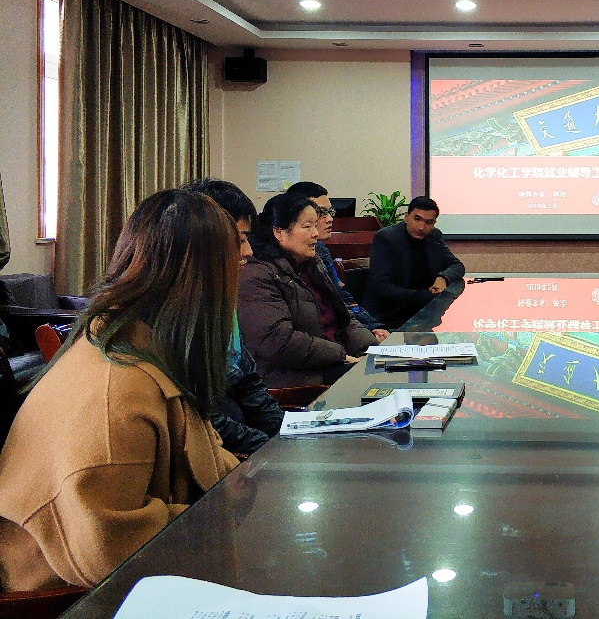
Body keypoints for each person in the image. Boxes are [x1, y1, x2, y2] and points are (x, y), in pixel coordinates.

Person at [0, 189, 239, 590]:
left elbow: (199, 449)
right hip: (67, 595)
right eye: (237, 256)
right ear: (205, 278)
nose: (247, 256)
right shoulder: (120, 386)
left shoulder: (132, 343)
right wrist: (211, 515)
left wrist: (242, 482)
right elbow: (109, 549)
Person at [182, 178, 284, 455]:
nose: (248, 252)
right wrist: (271, 449)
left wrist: (284, 432)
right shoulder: (177, 314)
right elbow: (205, 420)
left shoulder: (219, 300)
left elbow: (246, 380)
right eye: (240, 240)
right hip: (221, 457)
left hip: (242, 442)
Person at [238, 191, 376, 388]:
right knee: (371, 380)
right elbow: (277, 340)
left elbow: (345, 318)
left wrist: (370, 350)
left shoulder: (312, 263)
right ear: (279, 232)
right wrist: (342, 356)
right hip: (292, 377)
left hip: (331, 362)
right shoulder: (257, 274)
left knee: (386, 368)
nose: (315, 233)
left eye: (315, 225)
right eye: (307, 226)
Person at [286, 181, 389, 341]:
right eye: (321, 213)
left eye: (330, 212)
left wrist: (372, 327)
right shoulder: (280, 261)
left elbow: (341, 297)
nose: (329, 219)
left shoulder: (320, 250)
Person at [363, 196, 465, 329]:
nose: (421, 227)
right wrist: (426, 296)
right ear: (406, 217)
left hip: (425, 313)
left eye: (429, 222)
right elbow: (381, 287)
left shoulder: (434, 236)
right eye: (417, 219)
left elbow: (457, 266)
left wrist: (443, 278)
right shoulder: (386, 238)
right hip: (390, 316)